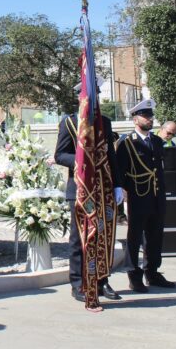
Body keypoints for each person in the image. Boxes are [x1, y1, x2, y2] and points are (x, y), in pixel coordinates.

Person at [54, 76, 123, 304]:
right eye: (88, 97)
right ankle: (77, 283)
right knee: (78, 239)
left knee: (102, 236)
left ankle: (102, 281)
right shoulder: (70, 123)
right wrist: (82, 158)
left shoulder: (104, 121)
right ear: (80, 98)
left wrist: (118, 184)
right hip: (80, 190)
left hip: (103, 189)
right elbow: (59, 155)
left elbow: (111, 156)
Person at [116, 99, 175, 292]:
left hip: (157, 196)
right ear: (135, 119)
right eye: (145, 116)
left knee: (155, 236)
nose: (150, 119)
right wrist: (128, 189)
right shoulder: (127, 143)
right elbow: (120, 172)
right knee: (135, 237)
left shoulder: (157, 141)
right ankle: (134, 275)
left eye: (151, 116)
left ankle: (153, 273)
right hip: (139, 196)